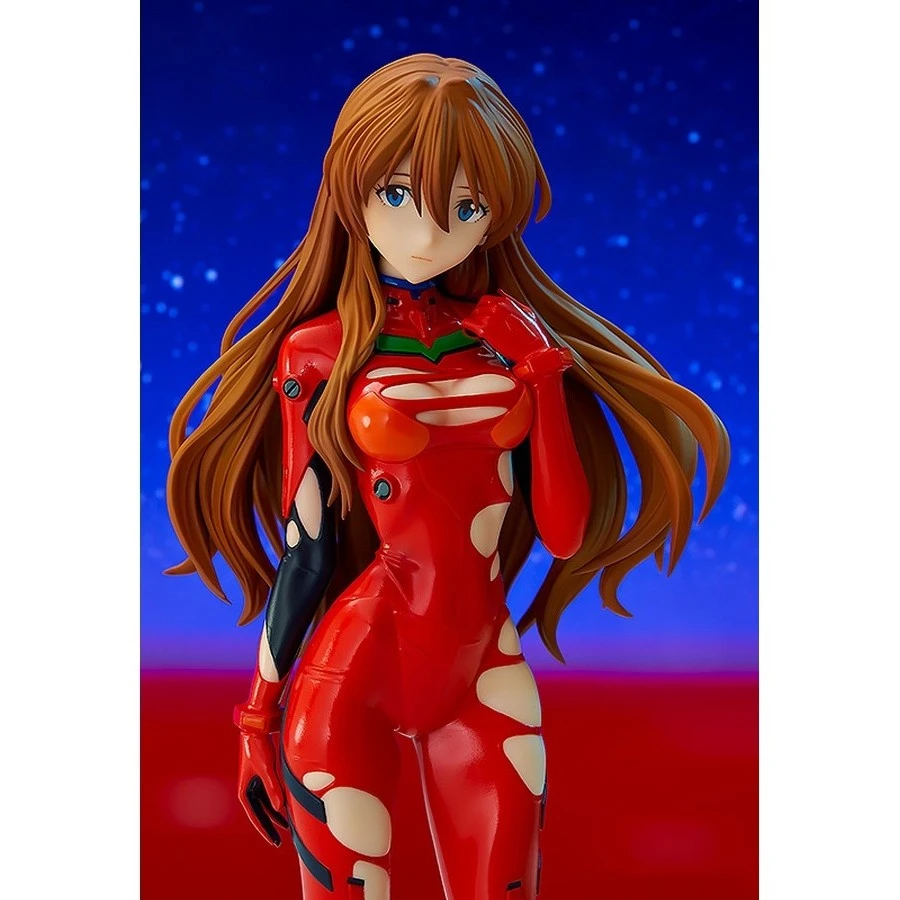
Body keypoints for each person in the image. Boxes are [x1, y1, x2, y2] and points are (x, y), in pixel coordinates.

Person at [166, 53, 729, 900]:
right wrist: (256, 715)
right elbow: (307, 550)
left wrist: (543, 371)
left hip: (484, 667)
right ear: (350, 189)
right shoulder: (316, 354)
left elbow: (562, 532)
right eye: (397, 195)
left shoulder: (509, 343)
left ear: (495, 216)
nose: (429, 236)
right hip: (352, 669)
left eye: (466, 208)